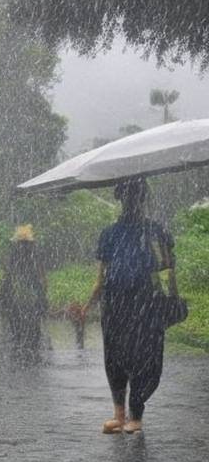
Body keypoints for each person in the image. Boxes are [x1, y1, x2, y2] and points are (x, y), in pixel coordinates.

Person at [84, 178, 176, 434]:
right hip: (137, 303)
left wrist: (89, 305)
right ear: (142, 199)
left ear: (120, 200)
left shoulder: (117, 233)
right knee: (142, 355)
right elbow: (169, 268)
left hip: (124, 303)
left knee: (119, 355)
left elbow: (101, 278)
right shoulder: (153, 231)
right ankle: (129, 415)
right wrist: (172, 299)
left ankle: (125, 415)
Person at [0, 225, 48, 364]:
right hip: (33, 290)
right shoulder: (36, 251)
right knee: (34, 322)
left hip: (14, 292)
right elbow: (41, 273)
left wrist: (3, 295)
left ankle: (19, 351)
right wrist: (43, 292)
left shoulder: (12, 252)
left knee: (16, 322)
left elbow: (7, 272)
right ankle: (32, 352)